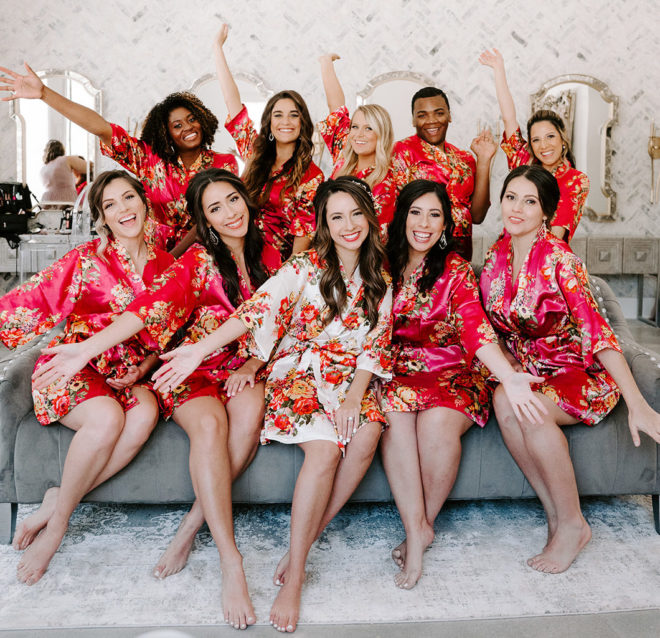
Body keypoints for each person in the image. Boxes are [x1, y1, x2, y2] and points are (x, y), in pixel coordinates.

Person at [135, 176, 391, 632]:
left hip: (348, 379)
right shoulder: (304, 266)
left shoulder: (381, 277)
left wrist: (355, 394)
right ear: (323, 226)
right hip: (297, 370)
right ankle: (295, 573)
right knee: (327, 448)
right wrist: (198, 349)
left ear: (370, 216)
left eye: (356, 213)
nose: (348, 225)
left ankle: (303, 544)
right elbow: (255, 310)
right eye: (336, 217)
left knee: (369, 431)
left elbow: (377, 342)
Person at [31, 168, 281, 629]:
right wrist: (85, 350)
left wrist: (251, 365)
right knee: (209, 427)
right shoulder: (194, 262)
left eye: (233, 200)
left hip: (244, 367)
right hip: (188, 365)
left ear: (246, 199)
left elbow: (281, 318)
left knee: (249, 415)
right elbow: (148, 311)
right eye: (214, 208)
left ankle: (189, 529)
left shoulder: (271, 253)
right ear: (203, 221)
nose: (229, 213)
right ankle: (231, 560)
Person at [480, 165, 660, 573]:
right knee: (505, 402)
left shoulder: (561, 260)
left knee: (534, 410)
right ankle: (557, 517)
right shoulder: (496, 256)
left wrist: (637, 403)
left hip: (577, 371)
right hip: (531, 370)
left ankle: (574, 522)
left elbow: (599, 334)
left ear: (546, 212)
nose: (517, 209)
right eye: (511, 198)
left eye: (530, 202)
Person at [0, 170, 175, 585]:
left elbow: (166, 330)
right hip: (73, 363)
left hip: (126, 372)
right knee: (107, 420)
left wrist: (146, 367)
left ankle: (59, 497)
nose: (122, 209)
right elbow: (29, 299)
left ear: (144, 202)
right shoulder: (87, 260)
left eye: (128, 198)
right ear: (102, 216)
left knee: (146, 411)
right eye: (110, 204)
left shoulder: (167, 265)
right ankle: (58, 526)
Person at [379, 179, 545, 589]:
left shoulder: (454, 269)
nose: (424, 223)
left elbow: (474, 328)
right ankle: (416, 529)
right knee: (392, 414)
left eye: (435, 214)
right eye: (416, 212)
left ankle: (421, 529)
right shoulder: (380, 264)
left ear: (445, 224)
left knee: (436, 426)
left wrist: (508, 376)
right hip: (395, 370)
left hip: (453, 369)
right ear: (401, 216)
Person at [0, 63, 238, 254]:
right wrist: (44, 94)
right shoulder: (148, 159)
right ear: (165, 132)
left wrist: (174, 257)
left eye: (192, 119)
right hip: (151, 256)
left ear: (203, 119)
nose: (188, 127)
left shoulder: (224, 163)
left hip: (206, 258)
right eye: (177, 125)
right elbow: (100, 128)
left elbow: (211, 219)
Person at [214, 24, 324, 261]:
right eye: (278, 115)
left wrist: (287, 286)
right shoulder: (255, 152)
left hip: (275, 267)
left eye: (294, 114)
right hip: (237, 252)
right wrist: (217, 48)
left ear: (303, 123)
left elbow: (302, 238)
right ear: (269, 123)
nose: (286, 121)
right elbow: (232, 100)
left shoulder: (311, 176)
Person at [479, 48, 589, 242]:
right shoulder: (523, 163)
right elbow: (508, 117)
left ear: (563, 140)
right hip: (508, 252)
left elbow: (556, 235)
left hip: (545, 260)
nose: (544, 145)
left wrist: (531, 266)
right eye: (536, 140)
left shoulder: (575, 180)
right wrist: (498, 69)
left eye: (550, 137)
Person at [391, 86, 497, 261]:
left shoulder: (465, 159)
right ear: (413, 120)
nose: (431, 120)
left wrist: (484, 160)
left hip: (459, 254)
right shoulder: (402, 152)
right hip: (418, 251)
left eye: (439, 113)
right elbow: (395, 211)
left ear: (449, 115)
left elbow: (477, 216)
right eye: (422, 115)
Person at [317, 53, 397, 235]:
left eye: (369, 128)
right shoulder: (343, 157)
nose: (358, 134)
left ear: (381, 134)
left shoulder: (385, 181)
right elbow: (336, 109)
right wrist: (326, 63)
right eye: (354, 127)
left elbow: (376, 235)